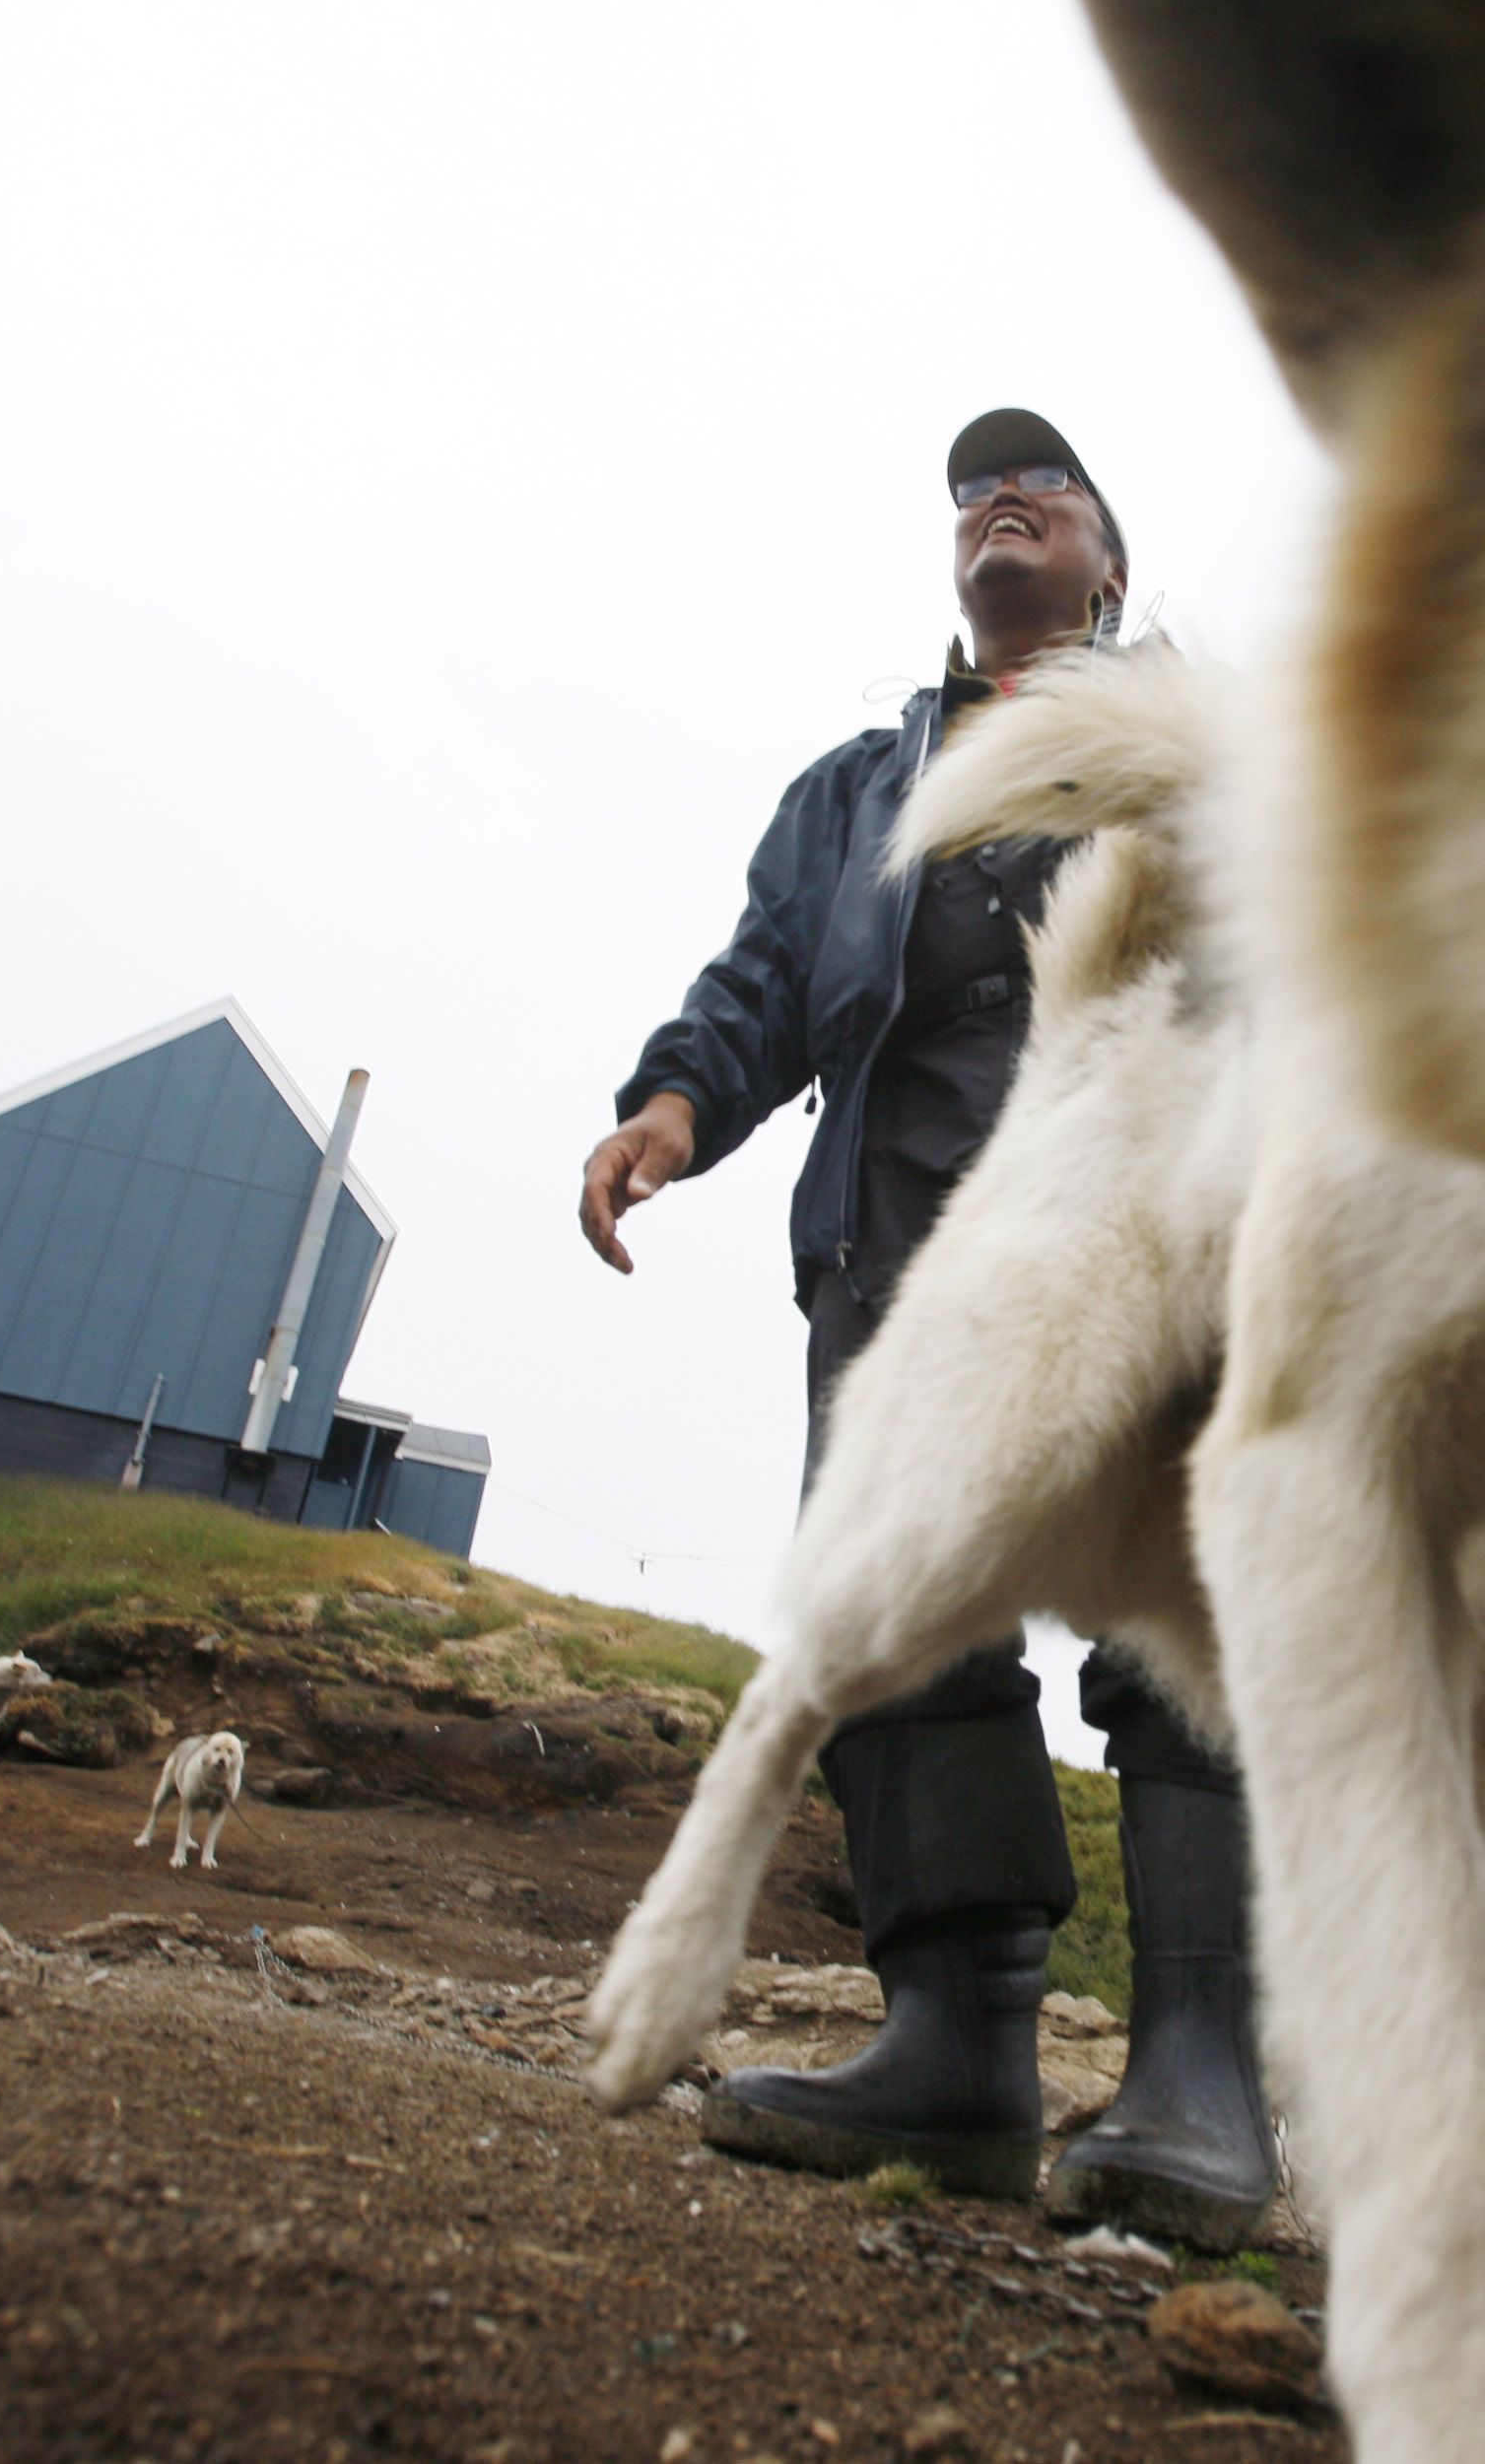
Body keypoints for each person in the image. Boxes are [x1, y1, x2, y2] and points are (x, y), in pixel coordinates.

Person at [577, 410, 1272, 2246]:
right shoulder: (850, 792)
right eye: (973, 487)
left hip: (1153, 1234)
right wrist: (673, 1106)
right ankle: (956, 2045)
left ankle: (1205, 2062)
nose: (1002, 498)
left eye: (1044, 481)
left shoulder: (1201, 748)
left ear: (1112, 565)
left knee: (1184, 1633)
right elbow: (761, 982)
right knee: (898, 1636)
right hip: (897, 1271)